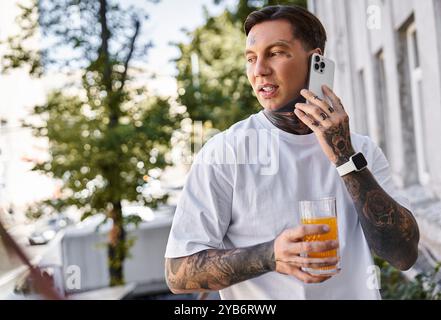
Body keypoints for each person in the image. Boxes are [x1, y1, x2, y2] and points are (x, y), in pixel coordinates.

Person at [164, 5, 419, 299]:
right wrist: (270, 255)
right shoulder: (225, 153)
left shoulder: (360, 149)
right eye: (251, 58)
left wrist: (344, 157)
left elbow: (403, 255)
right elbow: (178, 274)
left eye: (276, 52)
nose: (259, 70)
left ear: (316, 62)